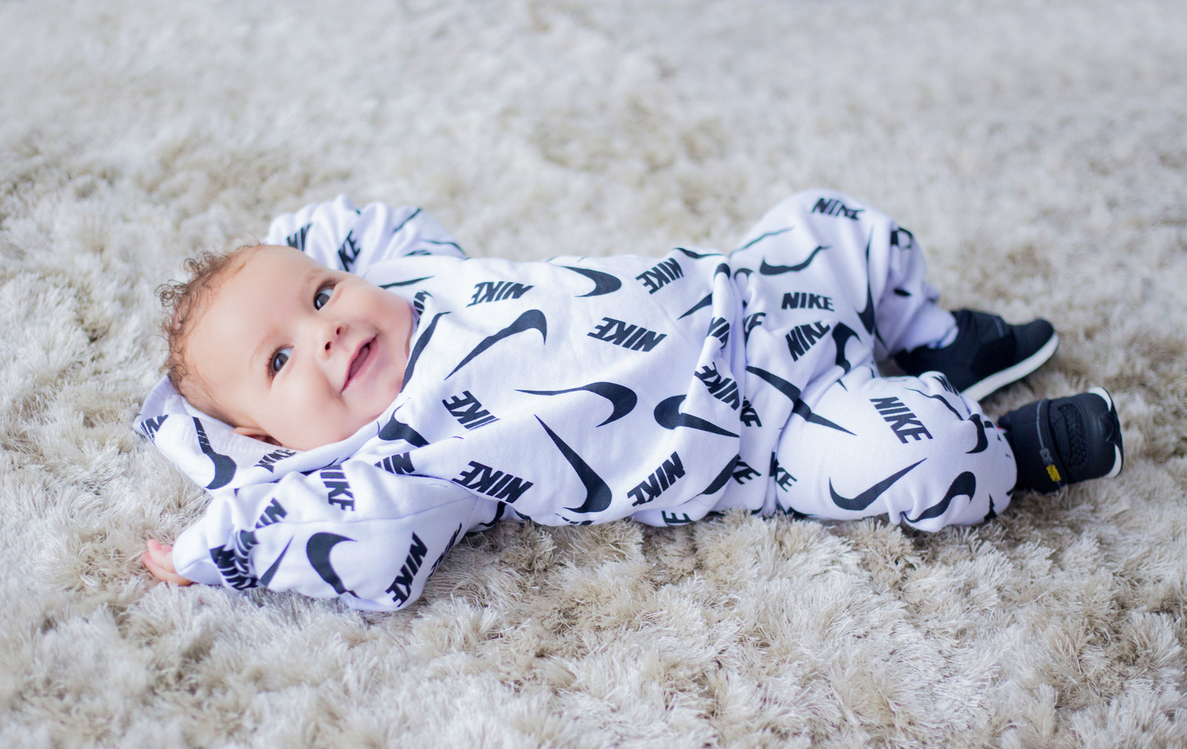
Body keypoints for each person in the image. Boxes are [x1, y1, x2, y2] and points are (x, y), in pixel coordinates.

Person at [137, 190, 1124, 611]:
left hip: (757, 279)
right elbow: (354, 549)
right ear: (266, 436)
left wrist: (274, 269)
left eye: (318, 296)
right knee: (922, 461)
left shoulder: (417, 277)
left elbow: (354, 223)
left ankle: (939, 341)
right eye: (279, 362)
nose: (326, 332)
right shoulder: (400, 460)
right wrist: (208, 549)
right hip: (777, 433)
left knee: (837, 220)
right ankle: (1013, 447)